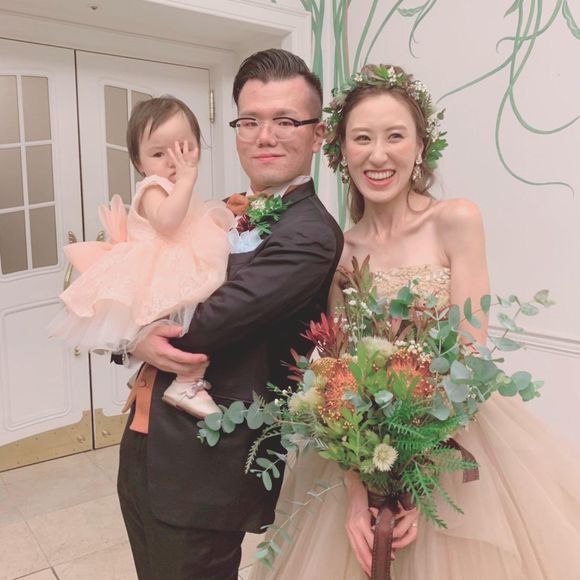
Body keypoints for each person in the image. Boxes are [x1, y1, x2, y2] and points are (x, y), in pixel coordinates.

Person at [248, 64, 580, 580]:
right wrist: (358, 489)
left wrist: (418, 483)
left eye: (395, 136)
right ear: (341, 152)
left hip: (453, 440)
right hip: (363, 454)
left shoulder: (455, 220)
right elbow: (337, 376)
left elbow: (468, 354)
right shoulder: (340, 250)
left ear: (421, 146)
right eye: (362, 138)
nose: (378, 155)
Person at [116, 49, 344, 580]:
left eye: (285, 121)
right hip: (148, 441)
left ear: (317, 134)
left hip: (206, 468)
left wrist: (133, 332)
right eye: (250, 121)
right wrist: (126, 332)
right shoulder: (223, 213)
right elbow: (144, 273)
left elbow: (208, 323)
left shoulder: (309, 234)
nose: (265, 136)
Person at [50, 96, 235, 418]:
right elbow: (167, 222)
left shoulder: (175, 187)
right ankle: (185, 382)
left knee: (193, 326)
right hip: (158, 269)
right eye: (159, 154)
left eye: (184, 148)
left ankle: (186, 380)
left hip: (178, 260)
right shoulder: (152, 188)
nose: (174, 161)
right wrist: (187, 182)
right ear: (139, 162)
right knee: (181, 330)